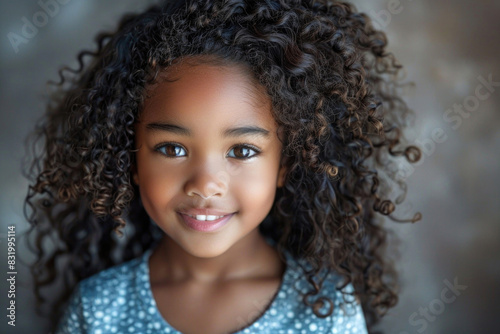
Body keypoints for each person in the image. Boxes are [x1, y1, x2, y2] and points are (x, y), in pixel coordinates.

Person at [22, 0, 422, 333]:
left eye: (243, 151)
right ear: (130, 159)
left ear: (286, 163)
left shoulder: (327, 312)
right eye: (172, 149)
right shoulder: (97, 312)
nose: (205, 184)